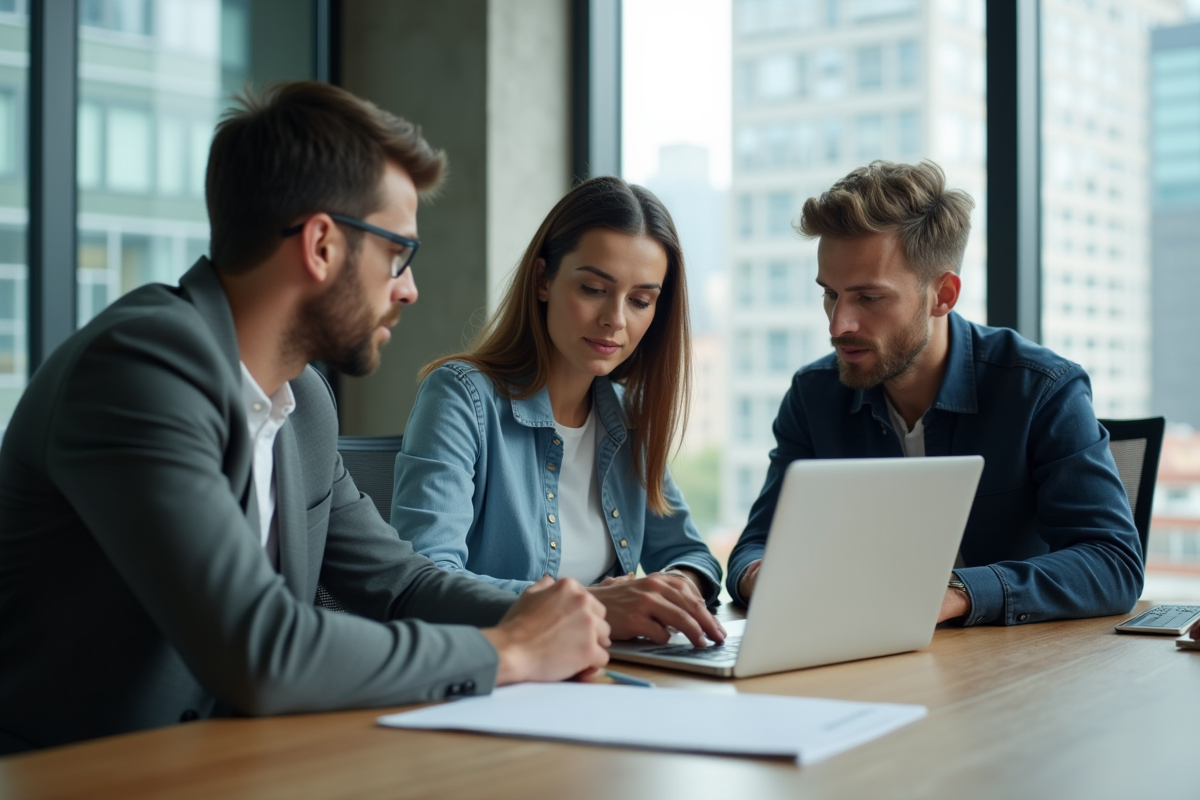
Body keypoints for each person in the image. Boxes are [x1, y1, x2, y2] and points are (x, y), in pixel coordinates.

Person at [0, 82, 611, 755]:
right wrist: (509, 652)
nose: (409, 288)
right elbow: (260, 651)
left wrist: (552, 619)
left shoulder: (303, 403)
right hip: (73, 779)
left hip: (233, 770)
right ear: (321, 245)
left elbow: (400, 584)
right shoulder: (138, 369)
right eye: (397, 253)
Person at [726, 160, 1143, 626]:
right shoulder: (813, 395)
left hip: (1010, 669)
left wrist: (957, 594)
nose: (838, 324)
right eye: (830, 294)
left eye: (868, 298)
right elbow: (756, 544)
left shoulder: (1041, 389)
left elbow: (1113, 565)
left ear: (943, 295)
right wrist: (760, 576)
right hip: (862, 653)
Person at [391, 176, 725, 648]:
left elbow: (691, 553)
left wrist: (678, 588)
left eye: (641, 301)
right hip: (500, 677)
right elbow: (427, 581)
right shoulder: (461, 398)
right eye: (592, 288)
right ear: (544, 280)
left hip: (606, 673)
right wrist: (595, 605)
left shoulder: (627, 417)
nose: (616, 319)